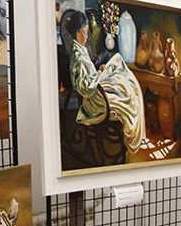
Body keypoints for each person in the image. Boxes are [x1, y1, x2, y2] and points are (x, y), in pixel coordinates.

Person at [61, 9, 146, 152]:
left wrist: (98, 71)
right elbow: (84, 87)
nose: (86, 36)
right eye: (84, 32)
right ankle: (132, 136)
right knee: (128, 94)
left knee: (120, 71)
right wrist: (100, 74)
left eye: (87, 32)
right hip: (94, 100)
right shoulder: (78, 56)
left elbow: (88, 75)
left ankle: (134, 132)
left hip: (96, 89)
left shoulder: (80, 50)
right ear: (78, 32)